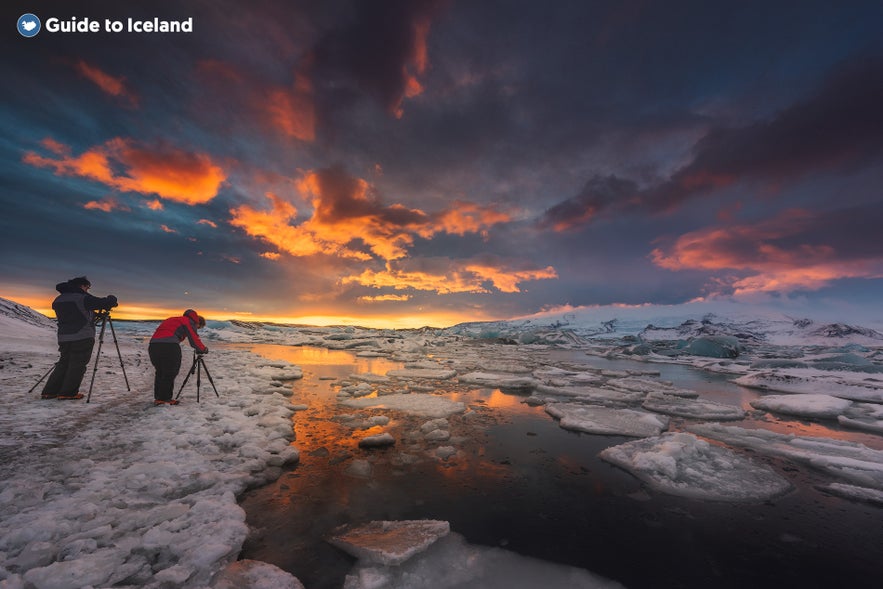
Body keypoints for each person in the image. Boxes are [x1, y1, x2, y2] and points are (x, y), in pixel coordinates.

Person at [42, 276, 118, 400]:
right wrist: (112, 298)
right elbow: (106, 302)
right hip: (82, 336)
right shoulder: (82, 298)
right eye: (87, 287)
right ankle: (68, 393)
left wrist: (93, 314)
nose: (87, 290)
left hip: (63, 336)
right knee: (77, 364)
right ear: (81, 286)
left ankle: (49, 391)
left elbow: (77, 314)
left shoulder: (58, 299)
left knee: (63, 363)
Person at [148, 309, 208, 405]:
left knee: (160, 371)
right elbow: (194, 339)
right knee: (170, 372)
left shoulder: (175, 319)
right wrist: (203, 349)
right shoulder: (189, 322)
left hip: (153, 345)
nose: (197, 329)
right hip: (169, 346)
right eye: (198, 327)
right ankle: (165, 398)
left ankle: (159, 398)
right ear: (198, 322)